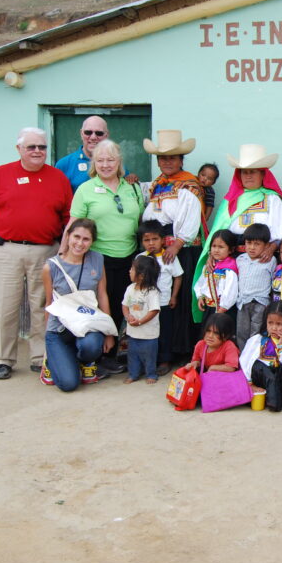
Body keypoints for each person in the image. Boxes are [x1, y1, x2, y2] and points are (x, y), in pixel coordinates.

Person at [0, 127, 72, 379]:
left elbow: (68, 217)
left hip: (46, 250)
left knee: (42, 306)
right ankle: (2, 358)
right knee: (5, 306)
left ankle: (40, 356)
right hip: (7, 250)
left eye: (42, 147)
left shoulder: (58, 178)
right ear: (19, 149)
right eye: (31, 147)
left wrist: (65, 249)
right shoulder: (1, 174)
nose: (37, 151)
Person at [65, 139, 145, 374]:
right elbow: (74, 224)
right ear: (94, 163)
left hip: (128, 256)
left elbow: (140, 220)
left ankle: (110, 354)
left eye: (110, 160)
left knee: (121, 304)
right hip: (97, 258)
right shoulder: (85, 189)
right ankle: (93, 356)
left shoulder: (132, 188)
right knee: (99, 306)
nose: (105, 164)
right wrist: (63, 254)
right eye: (100, 160)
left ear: (119, 162)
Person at [142, 129, 204, 361]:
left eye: (172, 158)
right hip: (157, 249)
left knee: (178, 299)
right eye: (163, 158)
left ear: (181, 160)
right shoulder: (157, 185)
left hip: (181, 250)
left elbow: (191, 217)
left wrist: (177, 244)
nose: (167, 162)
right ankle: (159, 349)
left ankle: (179, 350)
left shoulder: (188, 185)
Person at [42, 218, 116, 391]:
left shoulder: (97, 260)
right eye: (76, 237)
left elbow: (102, 295)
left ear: (92, 242)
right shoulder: (51, 267)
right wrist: (48, 342)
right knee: (68, 384)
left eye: (86, 239)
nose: (80, 243)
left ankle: (84, 361)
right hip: (59, 329)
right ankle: (52, 361)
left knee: (91, 346)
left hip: (87, 324)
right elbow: (49, 303)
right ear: (67, 236)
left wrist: (109, 333)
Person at [198, 145, 282, 272]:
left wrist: (271, 249)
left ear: (262, 174)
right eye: (245, 172)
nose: (248, 176)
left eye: (253, 172)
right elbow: (219, 231)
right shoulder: (231, 199)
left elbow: (280, 231)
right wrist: (212, 254)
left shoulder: (272, 199)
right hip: (230, 260)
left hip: (261, 259)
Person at [239, 300, 282, 411]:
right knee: (265, 371)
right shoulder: (258, 339)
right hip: (261, 375)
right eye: (270, 323)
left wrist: (281, 344)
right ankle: (274, 402)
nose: (274, 328)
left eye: (279, 324)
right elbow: (245, 361)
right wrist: (250, 384)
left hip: (277, 374)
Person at [137, 220, 183, 375]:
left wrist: (174, 296)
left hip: (163, 303)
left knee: (164, 332)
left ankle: (165, 360)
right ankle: (148, 360)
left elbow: (178, 276)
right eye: (147, 240)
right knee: (146, 331)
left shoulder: (169, 257)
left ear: (162, 240)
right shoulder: (140, 258)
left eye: (155, 239)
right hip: (145, 304)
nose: (151, 243)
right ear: (142, 242)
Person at [54, 116, 138, 192]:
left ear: (106, 135)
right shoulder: (64, 164)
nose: (93, 137)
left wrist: (131, 178)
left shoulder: (114, 163)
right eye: (88, 132)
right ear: (81, 133)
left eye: (99, 133)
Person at [232, 223, 277, 348]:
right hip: (242, 302)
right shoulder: (240, 259)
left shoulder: (270, 260)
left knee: (256, 333)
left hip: (260, 303)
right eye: (249, 243)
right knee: (241, 332)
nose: (252, 247)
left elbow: (274, 281)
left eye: (257, 244)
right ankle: (243, 355)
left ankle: (254, 355)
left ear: (267, 245)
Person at [121, 254, 161, 384]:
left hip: (149, 334)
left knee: (149, 355)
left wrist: (140, 322)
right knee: (132, 354)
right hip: (133, 332)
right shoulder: (130, 288)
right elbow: (125, 305)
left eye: (132, 269)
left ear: (142, 275)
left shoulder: (152, 292)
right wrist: (128, 316)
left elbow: (154, 310)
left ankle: (151, 374)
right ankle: (133, 374)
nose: (129, 271)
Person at [194, 229, 238, 325]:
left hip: (223, 310)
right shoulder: (209, 266)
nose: (216, 250)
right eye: (214, 246)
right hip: (208, 308)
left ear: (230, 249)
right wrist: (200, 296)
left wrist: (223, 308)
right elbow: (200, 283)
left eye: (221, 247)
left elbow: (231, 290)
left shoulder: (229, 269)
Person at [196, 162, 220, 229]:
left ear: (213, 182)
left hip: (199, 215)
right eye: (203, 175)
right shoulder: (193, 182)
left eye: (209, 178)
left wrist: (206, 217)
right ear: (198, 174)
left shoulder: (209, 191)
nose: (205, 179)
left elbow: (210, 206)